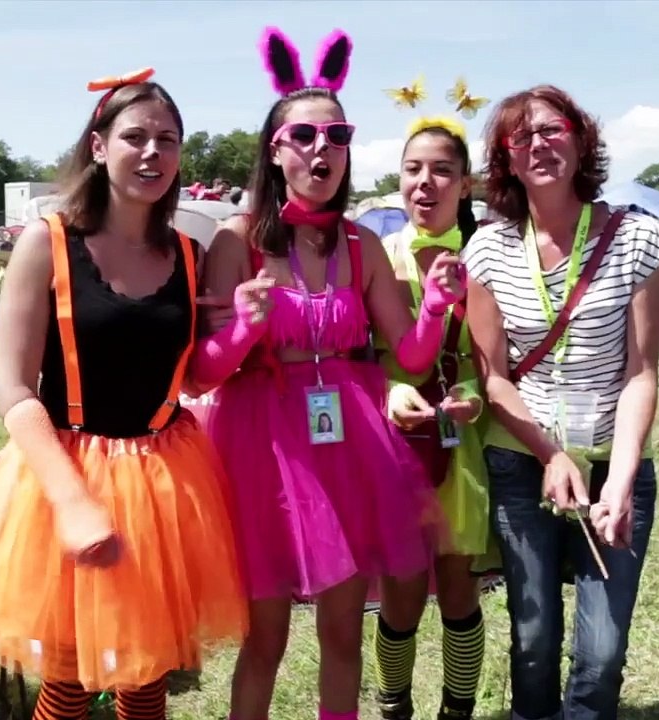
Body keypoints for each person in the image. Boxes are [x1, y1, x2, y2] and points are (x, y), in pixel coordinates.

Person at [0, 68, 250, 720]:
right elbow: (14, 387)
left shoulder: (189, 255)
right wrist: (73, 504)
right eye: (135, 136)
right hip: (64, 478)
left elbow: (191, 380)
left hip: (165, 477)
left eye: (168, 138)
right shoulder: (45, 247)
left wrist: (246, 331)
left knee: (147, 670)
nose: (153, 152)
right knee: (70, 676)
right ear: (99, 146)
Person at [191, 27, 465, 720]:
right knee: (265, 640)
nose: (322, 149)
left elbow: (410, 359)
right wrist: (248, 329)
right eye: (304, 136)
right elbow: (203, 372)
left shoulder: (359, 242)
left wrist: (433, 308)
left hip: (350, 448)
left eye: (336, 135)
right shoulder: (238, 239)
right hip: (263, 451)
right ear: (275, 149)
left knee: (344, 632)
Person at [461, 85, 659, 720]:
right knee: (532, 641)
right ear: (506, 157)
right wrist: (550, 454)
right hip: (523, 463)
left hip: (614, 466)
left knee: (603, 650)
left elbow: (643, 372)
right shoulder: (489, 249)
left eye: (553, 129)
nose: (539, 145)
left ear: (581, 139)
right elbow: (494, 376)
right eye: (521, 137)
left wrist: (623, 478)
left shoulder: (639, 238)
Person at [373, 105, 497, 720]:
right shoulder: (380, 254)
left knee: (457, 589)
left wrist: (475, 397)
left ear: (465, 185)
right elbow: (359, 355)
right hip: (391, 447)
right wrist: (389, 389)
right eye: (413, 169)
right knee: (398, 596)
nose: (426, 183)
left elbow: (499, 358)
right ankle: (394, 705)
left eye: (443, 171)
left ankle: (458, 709)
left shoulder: (487, 259)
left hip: (463, 446)